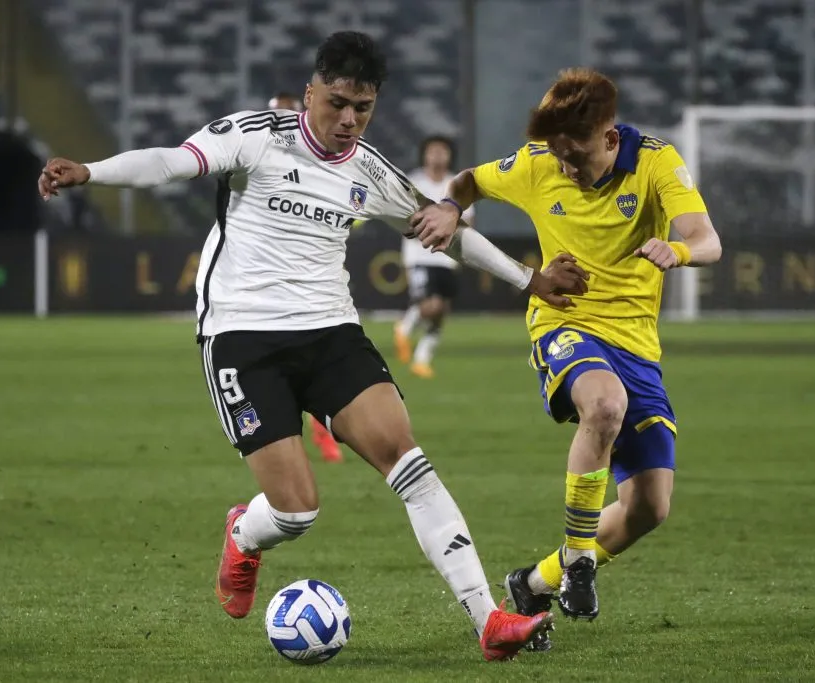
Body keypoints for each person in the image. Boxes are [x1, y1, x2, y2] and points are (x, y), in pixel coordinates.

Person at [38, 32, 588, 660]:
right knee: (297, 512)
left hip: (330, 333)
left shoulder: (369, 170)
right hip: (243, 339)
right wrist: (91, 171)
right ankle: (244, 536)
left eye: (363, 108)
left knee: (410, 463)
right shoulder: (255, 135)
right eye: (337, 103)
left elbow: (446, 229)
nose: (349, 120)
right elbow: (169, 161)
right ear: (310, 93)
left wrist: (532, 279)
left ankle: (488, 621)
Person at [412, 67, 722, 648]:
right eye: (557, 155)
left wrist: (677, 250)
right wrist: (450, 208)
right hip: (564, 322)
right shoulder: (538, 161)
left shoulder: (656, 163)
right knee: (603, 405)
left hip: (636, 344)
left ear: (609, 138)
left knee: (649, 508)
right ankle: (579, 559)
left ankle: (532, 582)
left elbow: (709, 240)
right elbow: (467, 181)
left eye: (576, 155)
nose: (565, 167)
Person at [258, 90, 343, 463]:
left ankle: (322, 433)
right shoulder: (251, 160)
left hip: (313, 289)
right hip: (260, 296)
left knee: (318, 366)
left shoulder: (328, 167)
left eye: (287, 114)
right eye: (273, 114)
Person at [393, 136, 471, 379]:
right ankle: (405, 327)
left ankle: (422, 360)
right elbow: (403, 217)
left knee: (441, 311)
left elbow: (469, 220)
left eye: (442, 151)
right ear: (424, 154)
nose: (437, 156)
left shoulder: (456, 184)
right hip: (420, 255)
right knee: (430, 305)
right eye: (433, 151)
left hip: (446, 257)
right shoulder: (414, 182)